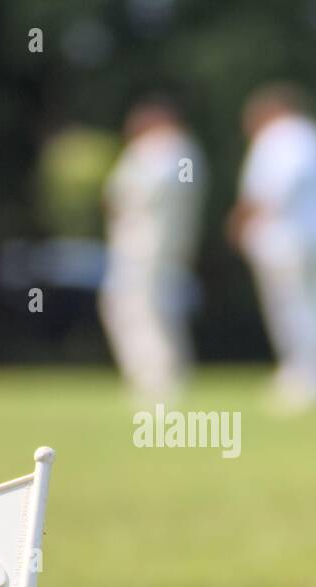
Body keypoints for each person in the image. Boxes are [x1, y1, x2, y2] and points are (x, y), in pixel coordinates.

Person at [228, 84, 316, 411]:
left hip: (293, 242)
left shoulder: (277, 138)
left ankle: (306, 378)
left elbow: (269, 191)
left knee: (296, 311)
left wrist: (238, 226)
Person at [100, 97, 206, 400]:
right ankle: (162, 376)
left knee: (140, 308)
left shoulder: (163, 148)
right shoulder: (183, 149)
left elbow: (127, 193)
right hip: (164, 242)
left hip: (144, 242)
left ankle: (155, 378)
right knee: (158, 306)